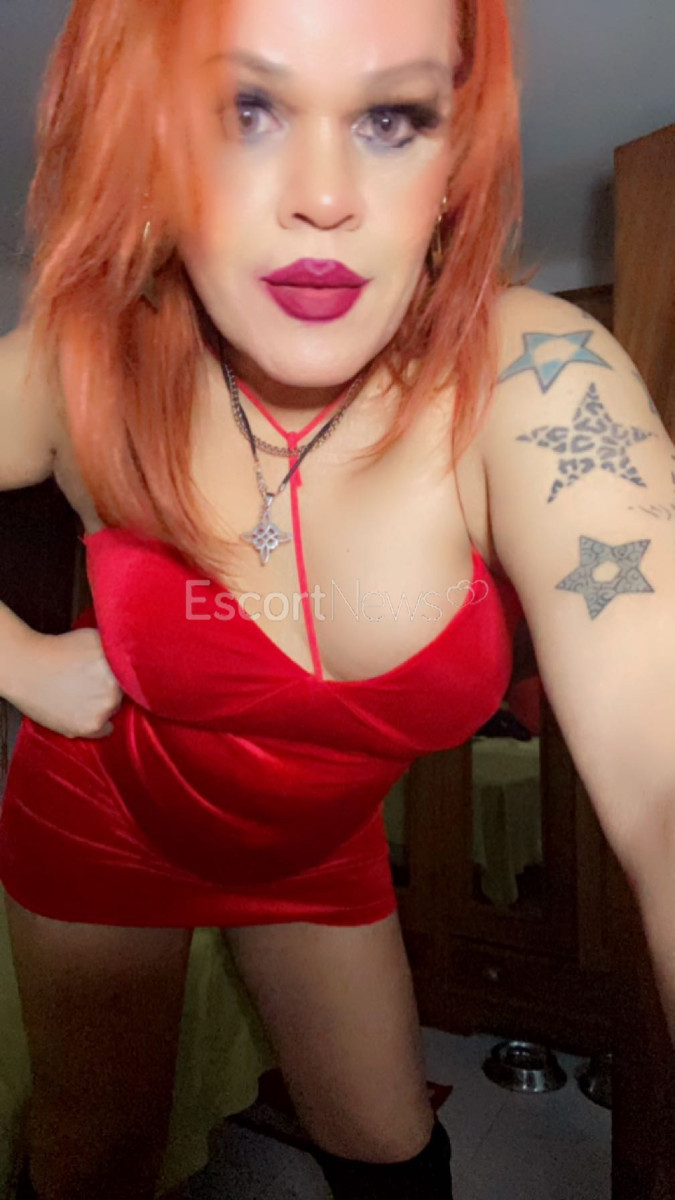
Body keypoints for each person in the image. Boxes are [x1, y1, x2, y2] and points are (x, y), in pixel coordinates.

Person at [1, 0, 674, 1197]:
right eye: (244, 109)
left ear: (453, 159)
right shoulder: (81, 359)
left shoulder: (535, 380)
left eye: (392, 117)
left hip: (315, 860)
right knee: (98, 1152)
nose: (325, 196)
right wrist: (20, 664)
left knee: (393, 1157)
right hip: (108, 820)